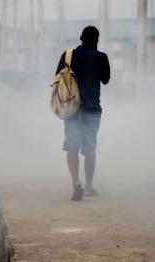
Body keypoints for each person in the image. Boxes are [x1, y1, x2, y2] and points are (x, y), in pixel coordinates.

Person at [56, 26, 110, 201]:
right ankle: (89, 186)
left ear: (81, 38)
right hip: (92, 109)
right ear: (97, 40)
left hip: (71, 109)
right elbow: (106, 79)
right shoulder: (101, 57)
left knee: (72, 145)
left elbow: (57, 77)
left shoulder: (68, 55)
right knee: (90, 148)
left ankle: (75, 182)